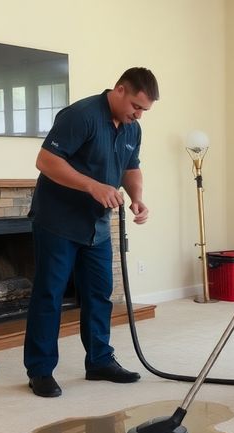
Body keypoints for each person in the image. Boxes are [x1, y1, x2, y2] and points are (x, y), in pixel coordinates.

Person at [23, 67, 158, 397]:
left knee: (99, 294)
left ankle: (98, 361)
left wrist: (137, 198)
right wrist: (91, 186)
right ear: (120, 89)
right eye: (136, 106)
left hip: (96, 226)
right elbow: (45, 161)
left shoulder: (131, 128)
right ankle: (40, 370)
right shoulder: (81, 115)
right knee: (49, 295)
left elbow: (131, 167)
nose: (138, 115)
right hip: (57, 221)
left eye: (144, 110)